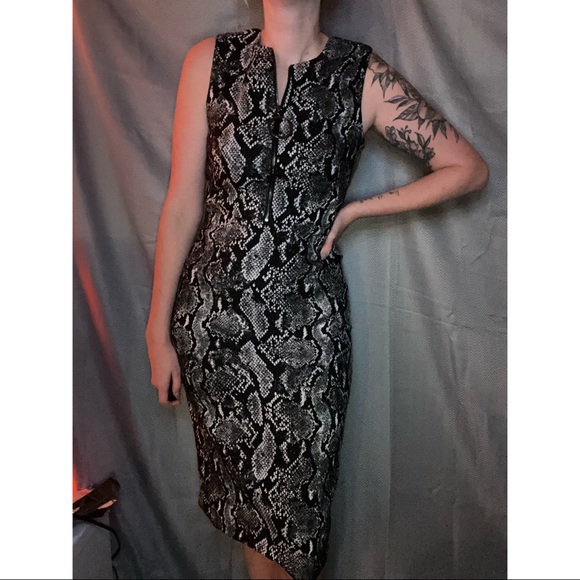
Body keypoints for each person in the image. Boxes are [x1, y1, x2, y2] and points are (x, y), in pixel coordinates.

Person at [146, 1, 489, 578]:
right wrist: (157, 333)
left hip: (307, 336)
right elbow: (182, 205)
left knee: (292, 532)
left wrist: (356, 210)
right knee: (254, 525)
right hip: (215, 333)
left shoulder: (363, 76)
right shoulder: (208, 62)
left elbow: (467, 168)